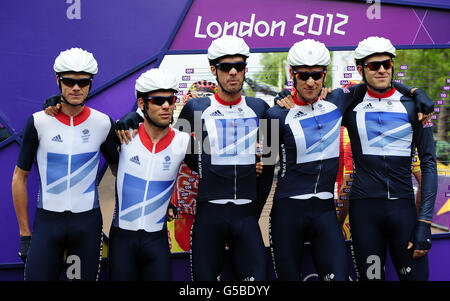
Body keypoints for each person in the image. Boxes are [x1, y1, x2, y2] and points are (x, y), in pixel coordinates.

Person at [116, 35, 274, 281]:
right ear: (213, 69)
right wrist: (131, 117)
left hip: (247, 218)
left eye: (239, 66)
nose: (233, 72)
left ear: (245, 68)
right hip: (208, 218)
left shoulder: (262, 109)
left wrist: (254, 212)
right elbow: (168, 143)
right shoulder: (196, 109)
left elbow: (269, 166)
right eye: (225, 66)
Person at [11, 48, 119, 281]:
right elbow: (20, 176)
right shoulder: (39, 122)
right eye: (69, 81)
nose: (76, 88)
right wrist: (24, 235)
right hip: (48, 225)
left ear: (91, 83)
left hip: (87, 226)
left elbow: (119, 171)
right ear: (58, 81)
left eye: (83, 82)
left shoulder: (102, 123)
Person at [266, 39, 369, 281]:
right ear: (292, 74)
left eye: (317, 75)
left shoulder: (337, 101)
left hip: (324, 211)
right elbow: (264, 169)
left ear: (325, 75)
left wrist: (415, 93)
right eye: (303, 75)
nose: (311, 82)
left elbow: (377, 81)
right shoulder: (274, 114)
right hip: (286, 213)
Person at [343, 36, 438, 280]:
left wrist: (425, 221)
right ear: (360, 68)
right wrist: (284, 94)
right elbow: (313, 96)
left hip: (403, 210)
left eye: (387, 63)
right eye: (374, 65)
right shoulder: (350, 104)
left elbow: (428, 164)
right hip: (365, 212)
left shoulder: (413, 106)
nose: (382, 69)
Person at [108, 68, 196, 280]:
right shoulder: (122, 135)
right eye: (158, 100)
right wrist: (53, 102)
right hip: (122, 242)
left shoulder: (183, 142)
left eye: (170, 99)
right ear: (142, 104)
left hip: (156, 243)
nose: (166, 105)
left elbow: (216, 174)